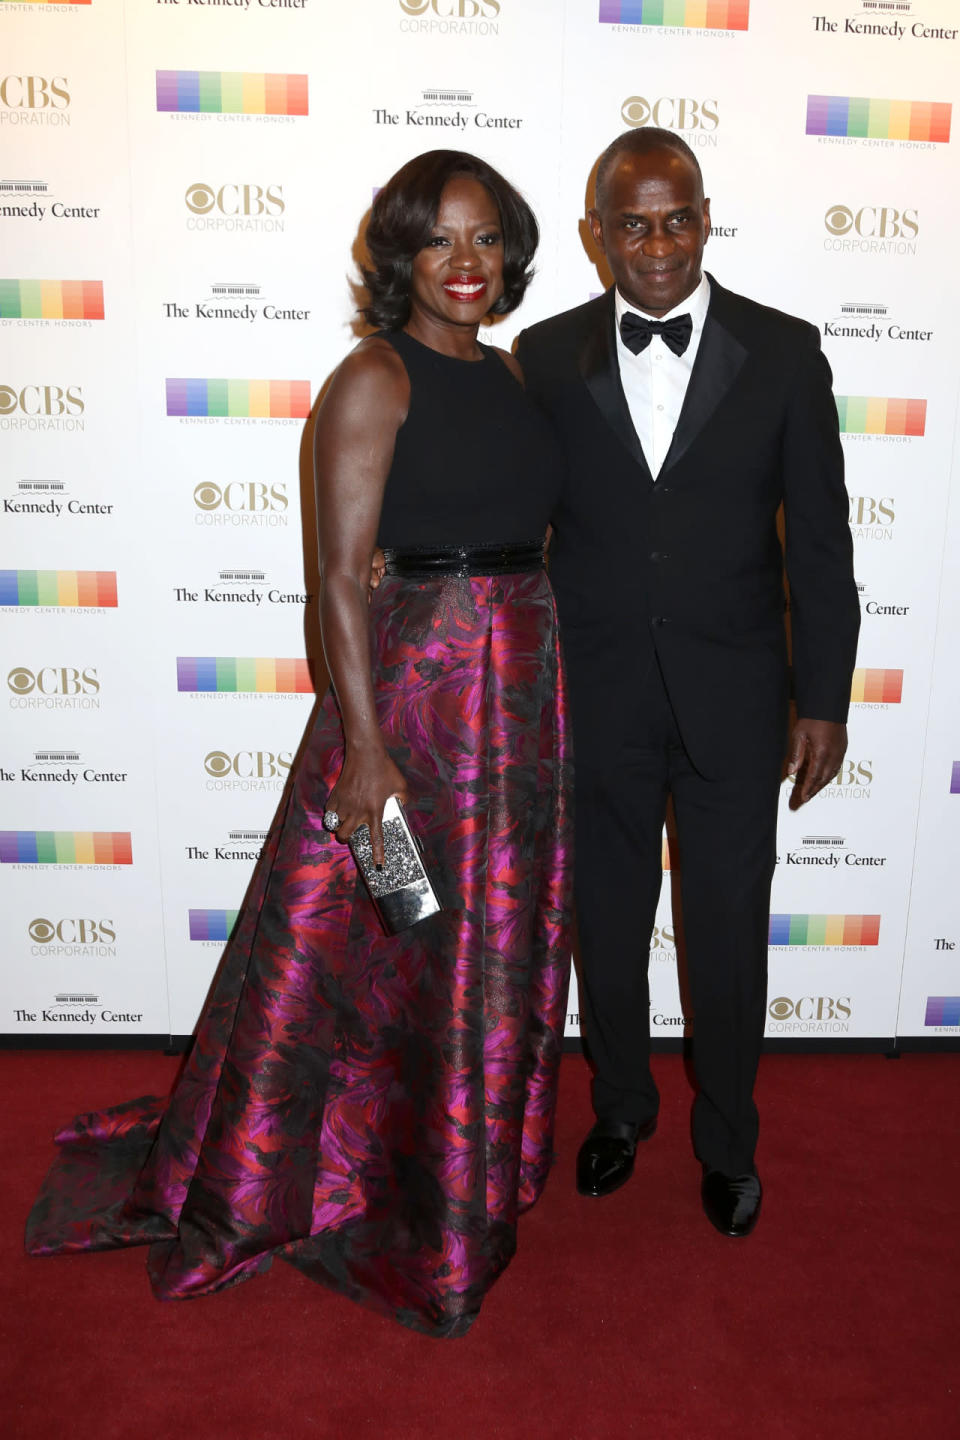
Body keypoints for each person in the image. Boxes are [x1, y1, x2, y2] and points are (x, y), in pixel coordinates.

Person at [26, 150, 573, 1338]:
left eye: (486, 239)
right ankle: (363, 1176)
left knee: (478, 942)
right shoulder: (373, 379)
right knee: (388, 938)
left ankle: (462, 1160)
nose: (466, 263)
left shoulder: (524, 376)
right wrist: (364, 755)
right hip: (416, 715)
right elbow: (335, 578)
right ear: (402, 257)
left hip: (520, 708)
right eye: (440, 240)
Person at [516, 128, 859, 1237]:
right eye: (631, 222)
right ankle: (619, 1110)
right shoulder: (547, 355)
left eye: (676, 218)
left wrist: (823, 700)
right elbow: (512, 516)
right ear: (596, 233)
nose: (656, 243)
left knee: (726, 934)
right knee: (604, 930)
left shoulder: (785, 352)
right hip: (596, 695)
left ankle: (730, 1139)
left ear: (706, 219)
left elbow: (821, 545)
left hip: (736, 700)